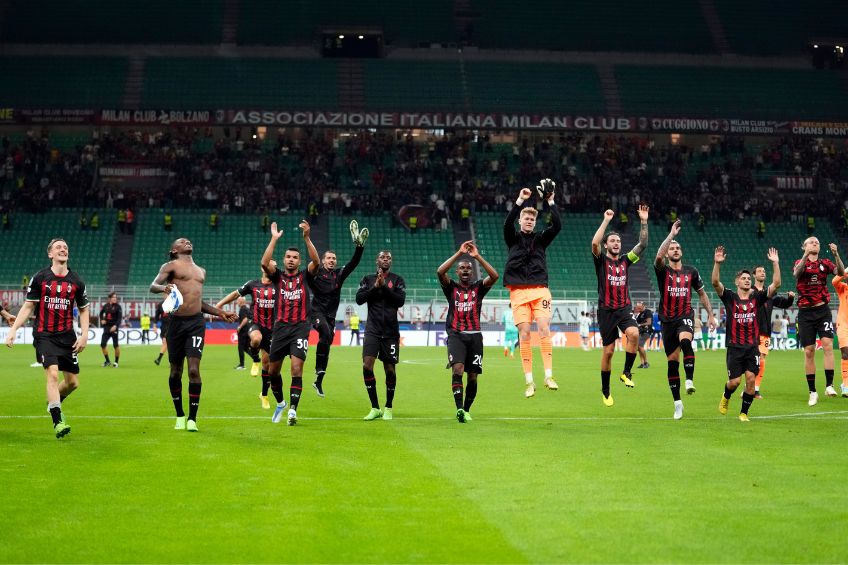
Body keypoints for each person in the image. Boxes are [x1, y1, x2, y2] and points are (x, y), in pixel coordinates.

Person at [5, 238, 90, 438]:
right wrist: (13, 329)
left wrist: (84, 334)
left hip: (67, 336)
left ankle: (53, 403)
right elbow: (28, 306)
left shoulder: (76, 281)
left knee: (72, 383)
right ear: (50, 254)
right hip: (44, 335)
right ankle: (58, 420)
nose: (63, 249)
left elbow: (84, 310)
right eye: (58, 247)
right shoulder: (41, 278)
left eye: (66, 247)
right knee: (52, 374)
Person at [150, 237, 237, 432]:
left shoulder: (201, 271)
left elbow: (199, 303)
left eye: (188, 241)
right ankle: (179, 415)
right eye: (182, 242)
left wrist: (221, 312)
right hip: (176, 323)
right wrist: (164, 287)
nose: (187, 242)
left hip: (196, 323)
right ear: (174, 250)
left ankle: (192, 419)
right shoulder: (170, 266)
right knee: (175, 371)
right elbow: (153, 285)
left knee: (193, 370)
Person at [502, 180, 561, 398]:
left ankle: (548, 375)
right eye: (526, 218)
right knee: (524, 334)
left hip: (539, 290)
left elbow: (557, 226)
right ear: (520, 221)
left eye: (532, 219)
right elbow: (506, 224)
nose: (529, 221)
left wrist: (550, 200)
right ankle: (529, 381)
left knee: (544, 328)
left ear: (535, 223)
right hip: (518, 291)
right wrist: (519, 201)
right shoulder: (513, 238)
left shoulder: (541, 239)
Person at [653, 220, 717, 419]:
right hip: (667, 320)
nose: (675, 249)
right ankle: (677, 403)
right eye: (672, 248)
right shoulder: (663, 270)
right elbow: (657, 256)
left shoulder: (692, 272)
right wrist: (670, 235)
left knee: (686, 340)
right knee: (672, 362)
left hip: (685, 315)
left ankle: (689, 380)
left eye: (678, 247)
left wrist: (711, 315)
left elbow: (702, 294)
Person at [260, 221, 320, 426]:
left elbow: (317, 262)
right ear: (284, 260)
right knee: (272, 372)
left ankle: (293, 410)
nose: (291, 260)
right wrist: (274, 239)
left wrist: (307, 238)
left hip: (301, 328)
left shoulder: (305, 276)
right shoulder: (278, 277)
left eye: (295, 257)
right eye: (288, 257)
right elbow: (264, 262)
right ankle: (281, 403)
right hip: (280, 329)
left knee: (296, 369)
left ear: (299, 260)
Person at [712, 246, 780, 422]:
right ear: (737, 282)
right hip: (734, 347)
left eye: (749, 278)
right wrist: (717, 264)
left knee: (750, 380)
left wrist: (776, 264)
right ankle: (726, 397)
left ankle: (743, 413)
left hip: (752, 347)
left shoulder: (756, 298)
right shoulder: (730, 297)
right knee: (734, 382)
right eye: (743, 278)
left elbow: (776, 284)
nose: (747, 280)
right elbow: (715, 283)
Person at [591, 204, 649, 407]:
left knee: (634, 334)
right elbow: (594, 243)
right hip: (606, 310)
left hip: (624, 308)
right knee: (608, 352)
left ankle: (626, 372)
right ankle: (606, 391)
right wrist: (606, 220)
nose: (616, 243)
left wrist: (643, 221)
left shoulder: (626, 261)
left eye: (618, 241)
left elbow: (642, 244)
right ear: (606, 245)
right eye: (612, 241)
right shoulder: (600, 261)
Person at [436, 240, 499, 423]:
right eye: (462, 268)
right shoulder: (451, 288)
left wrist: (476, 256)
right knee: (457, 369)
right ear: (457, 272)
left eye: (468, 268)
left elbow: (494, 276)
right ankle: (459, 409)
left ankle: (467, 409)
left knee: (472, 377)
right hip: (456, 335)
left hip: (475, 337)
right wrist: (459, 253)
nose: (465, 270)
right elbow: (440, 271)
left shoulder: (478, 288)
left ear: (472, 272)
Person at [306, 218, 367, 397]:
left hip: (331, 316)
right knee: (325, 332)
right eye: (329, 258)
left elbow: (354, 262)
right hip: (316, 312)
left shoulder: (339, 274)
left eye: (334, 258)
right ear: (323, 261)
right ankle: (318, 368)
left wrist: (359, 247)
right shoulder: (315, 273)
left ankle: (319, 379)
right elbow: (311, 264)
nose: (332, 260)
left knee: (327, 340)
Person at [215, 266, 277, 408]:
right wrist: (219, 305)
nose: (270, 267)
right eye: (267, 264)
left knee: (268, 366)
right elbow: (235, 294)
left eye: (273, 265)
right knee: (255, 339)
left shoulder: (279, 285)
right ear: (263, 267)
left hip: (273, 329)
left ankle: (264, 394)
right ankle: (255, 359)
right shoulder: (253, 284)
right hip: (256, 324)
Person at [793, 237, 845, 405]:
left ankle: (829, 385)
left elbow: (841, 273)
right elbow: (796, 273)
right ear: (804, 246)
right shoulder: (799, 262)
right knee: (809, 351)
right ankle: (812, 391)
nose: (815, 243)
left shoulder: (825, 263)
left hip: (822, 310)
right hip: (805, 313)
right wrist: (805, 256)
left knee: (828, 345)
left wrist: (836, 254)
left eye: (817, 242)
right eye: (811, 242)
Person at [356, 250, 406, 420]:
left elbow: (399, 301)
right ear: (377, 260)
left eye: (388, 258)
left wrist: (384, 285)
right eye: (383, 257)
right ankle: (375, 407)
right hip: (372, 330)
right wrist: (375, 287)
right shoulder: (367, 279)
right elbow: (359, 299)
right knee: (366, 366)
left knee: (390, 371)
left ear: (391, 261)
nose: (386, 259)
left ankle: (388, 407)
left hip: (391, 332)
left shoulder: (398, 280)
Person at [750, 266, 795, 398]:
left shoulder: (770, 293)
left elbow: (784, 304)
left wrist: (790, 298)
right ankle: (749, 387)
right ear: (754, 275)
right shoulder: (749, 291)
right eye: (759, 271)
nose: (763, 273)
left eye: (764, 271)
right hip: (750, 330)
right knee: (751, 361)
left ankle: (755, 389)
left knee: (762, 359)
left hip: (764, 331)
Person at [831, 274, 848, 397]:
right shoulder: (843, 288)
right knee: (846, 353)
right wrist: (845, 270)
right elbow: (834, 281)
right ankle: (846, 386)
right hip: (843, 325)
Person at [230, 297, 257, 371]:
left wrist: (239, 327)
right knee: (246, 348)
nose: (237, 303)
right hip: (248, 331)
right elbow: (248, 318)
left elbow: (245, 319)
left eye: (238, 301)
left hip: (243, 331)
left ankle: (242, 365)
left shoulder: (242, 309)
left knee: (240, 348)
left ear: (241, 301)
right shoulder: (247, 309)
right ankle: (256, 358)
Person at [99, 292, 122, 368]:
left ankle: (116, 362)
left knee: (115, 345)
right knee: (103, 344)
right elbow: (101, 313)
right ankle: (107, 361)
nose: (115, 298)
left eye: (116, 297)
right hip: (106, 327)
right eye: (113, 297)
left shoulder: (118, 307)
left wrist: (115, 326)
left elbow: (119, 318)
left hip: (114, 328)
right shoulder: (106, 306)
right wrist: (102, 320)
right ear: (110, 298)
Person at [634, 302, 652, 368]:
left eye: (639, 307)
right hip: (641, 332)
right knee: (638, 347)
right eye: (637, 307)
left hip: (646, 331)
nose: (638, 309)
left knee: (639, 346)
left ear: (643, 306)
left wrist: (640, 325)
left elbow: (649, 322)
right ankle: (642, 363)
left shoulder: (648, 312)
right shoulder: (639, 314)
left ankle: (646, 362)